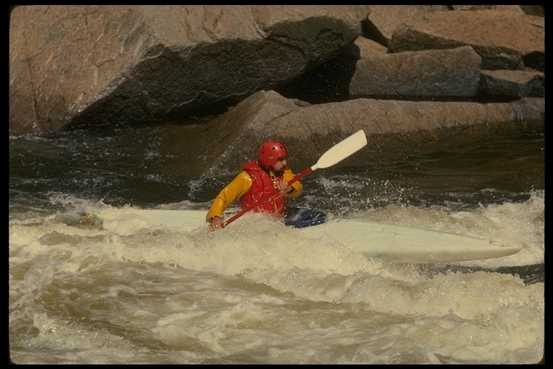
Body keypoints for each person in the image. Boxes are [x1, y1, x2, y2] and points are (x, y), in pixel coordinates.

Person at [206, 139, 326, 230]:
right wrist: (215, 217)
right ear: (269, 160)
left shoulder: (284, 171)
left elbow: (298, 186)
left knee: (319, 216)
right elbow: (224, 197)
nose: (285, 163)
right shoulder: (247, 177)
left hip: (280, 216)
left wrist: (289, 189)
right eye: (280, 160)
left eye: (285, 159)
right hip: (257, 222)